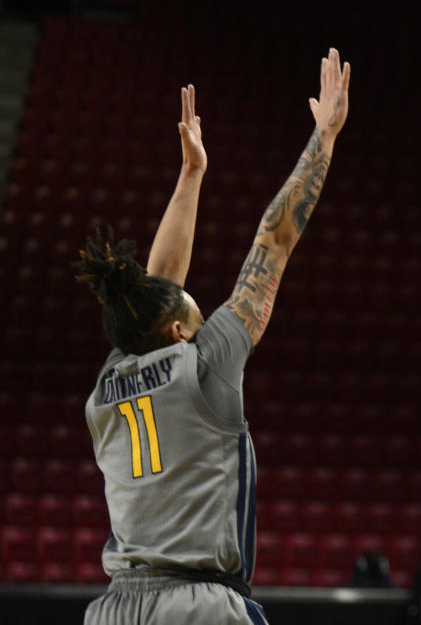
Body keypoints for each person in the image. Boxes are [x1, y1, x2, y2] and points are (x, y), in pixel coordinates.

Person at [76, 48, 350, 625]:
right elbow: (273, 241)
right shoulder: (203, 368)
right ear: (179, 332)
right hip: (197, 604)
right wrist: (323, 138)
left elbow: (154, 289)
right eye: (199, 319)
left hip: (113, 609)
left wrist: (192, 175)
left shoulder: (107, 384)